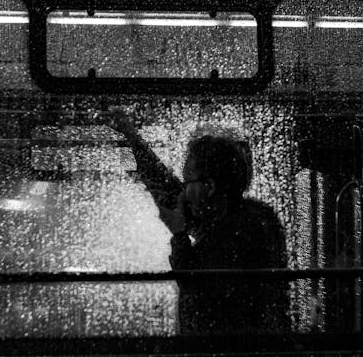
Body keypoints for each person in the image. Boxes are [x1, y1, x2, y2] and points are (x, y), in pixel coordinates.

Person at [109, 108, 289, 334]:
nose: (183, 192)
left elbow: (196, 286)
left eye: (188, 182)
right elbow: (152, 178)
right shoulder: (235, 216)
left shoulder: (248, 227)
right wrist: (125, 136)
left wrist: (179, 234)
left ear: (210, 187)